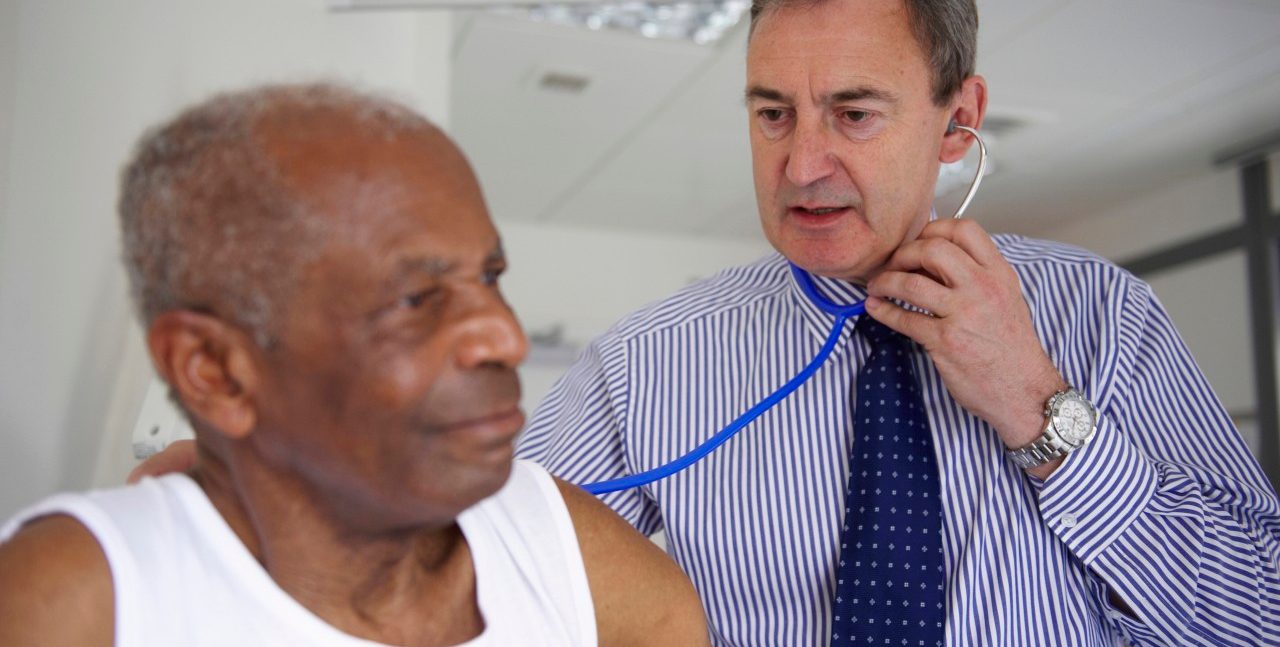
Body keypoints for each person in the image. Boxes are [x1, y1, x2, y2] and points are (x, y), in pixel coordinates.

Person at [515, 0, 1280, 645]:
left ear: (959, 122)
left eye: (853, 114)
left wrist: (1034, 404)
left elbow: (1258, 615)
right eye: (774, 114)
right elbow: (484, 571)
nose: (802, 164)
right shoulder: (643, 363)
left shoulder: (1102, 312)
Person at [0, 84, 709, 647]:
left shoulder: (563, 546)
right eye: (414, 296)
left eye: (490, 276)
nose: (504, 335)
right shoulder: (74, 598)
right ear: (214, 369)